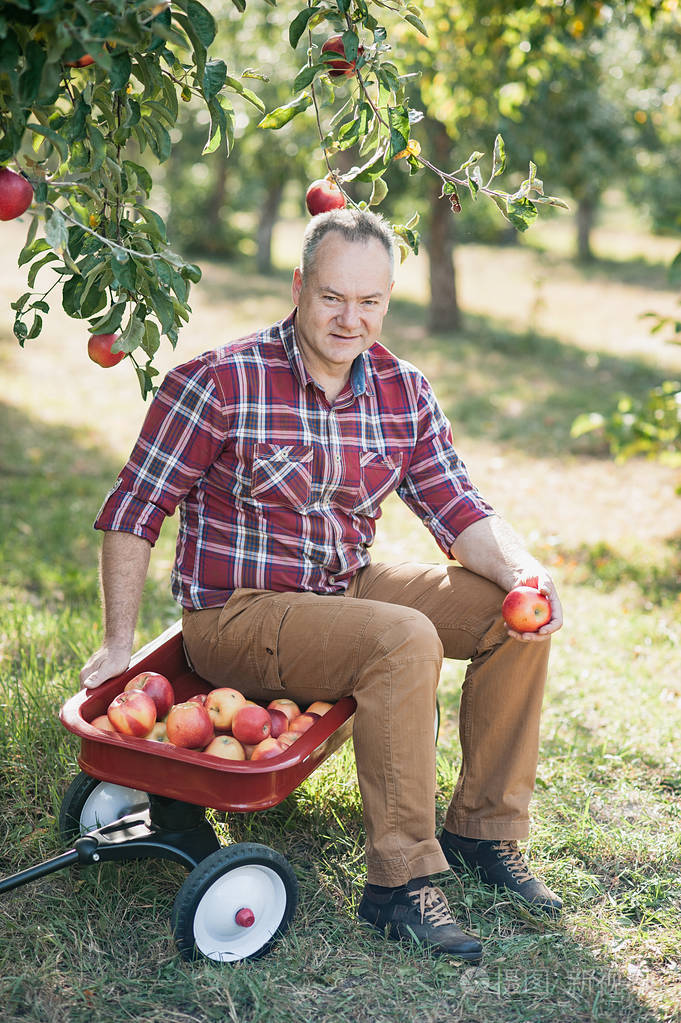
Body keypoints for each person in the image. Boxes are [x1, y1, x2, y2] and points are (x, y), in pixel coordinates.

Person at [81, 208, 563, 962]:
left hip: (338, 588)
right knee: (402, 636)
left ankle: (481, 830)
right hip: (239, 614)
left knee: (512, 616)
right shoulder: (218, 380)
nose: (351, 318)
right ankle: (399, 882)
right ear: (299, 285)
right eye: (333, 296)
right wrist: (117, 645)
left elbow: (458, 506)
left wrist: (522, 572)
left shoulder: (401, 389)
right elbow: (134, 509)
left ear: (388, 300)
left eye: (369, 302)